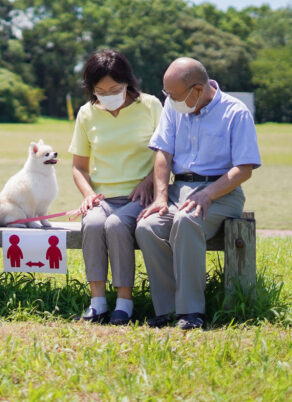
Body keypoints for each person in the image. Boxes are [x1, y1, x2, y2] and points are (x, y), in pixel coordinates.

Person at [136, 57, 261, 330]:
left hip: (221, 192)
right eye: (166, 93)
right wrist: (160, 197)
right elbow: (163, 154)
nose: (169, 99)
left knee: (187, 220)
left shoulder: (235, 112)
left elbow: (244, 168)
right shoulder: (173, 105)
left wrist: (209, 194)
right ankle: (166, 310)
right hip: (177, 189)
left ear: (197, 90)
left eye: (174, 94)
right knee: (147, 226)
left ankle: (191, 312)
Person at [69, 49, 163, 325]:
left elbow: (166, 153)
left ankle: (125, 302)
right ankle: (97, 302)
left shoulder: (151, 106)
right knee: (95, 224)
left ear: (128, 83)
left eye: (115, 88)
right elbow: (78, 167)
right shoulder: (86, 114)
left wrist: (149, 181)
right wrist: (87, 195)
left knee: (116, 225)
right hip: (103, 198)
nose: (108, 95)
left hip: (140, 196)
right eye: (100, 90)